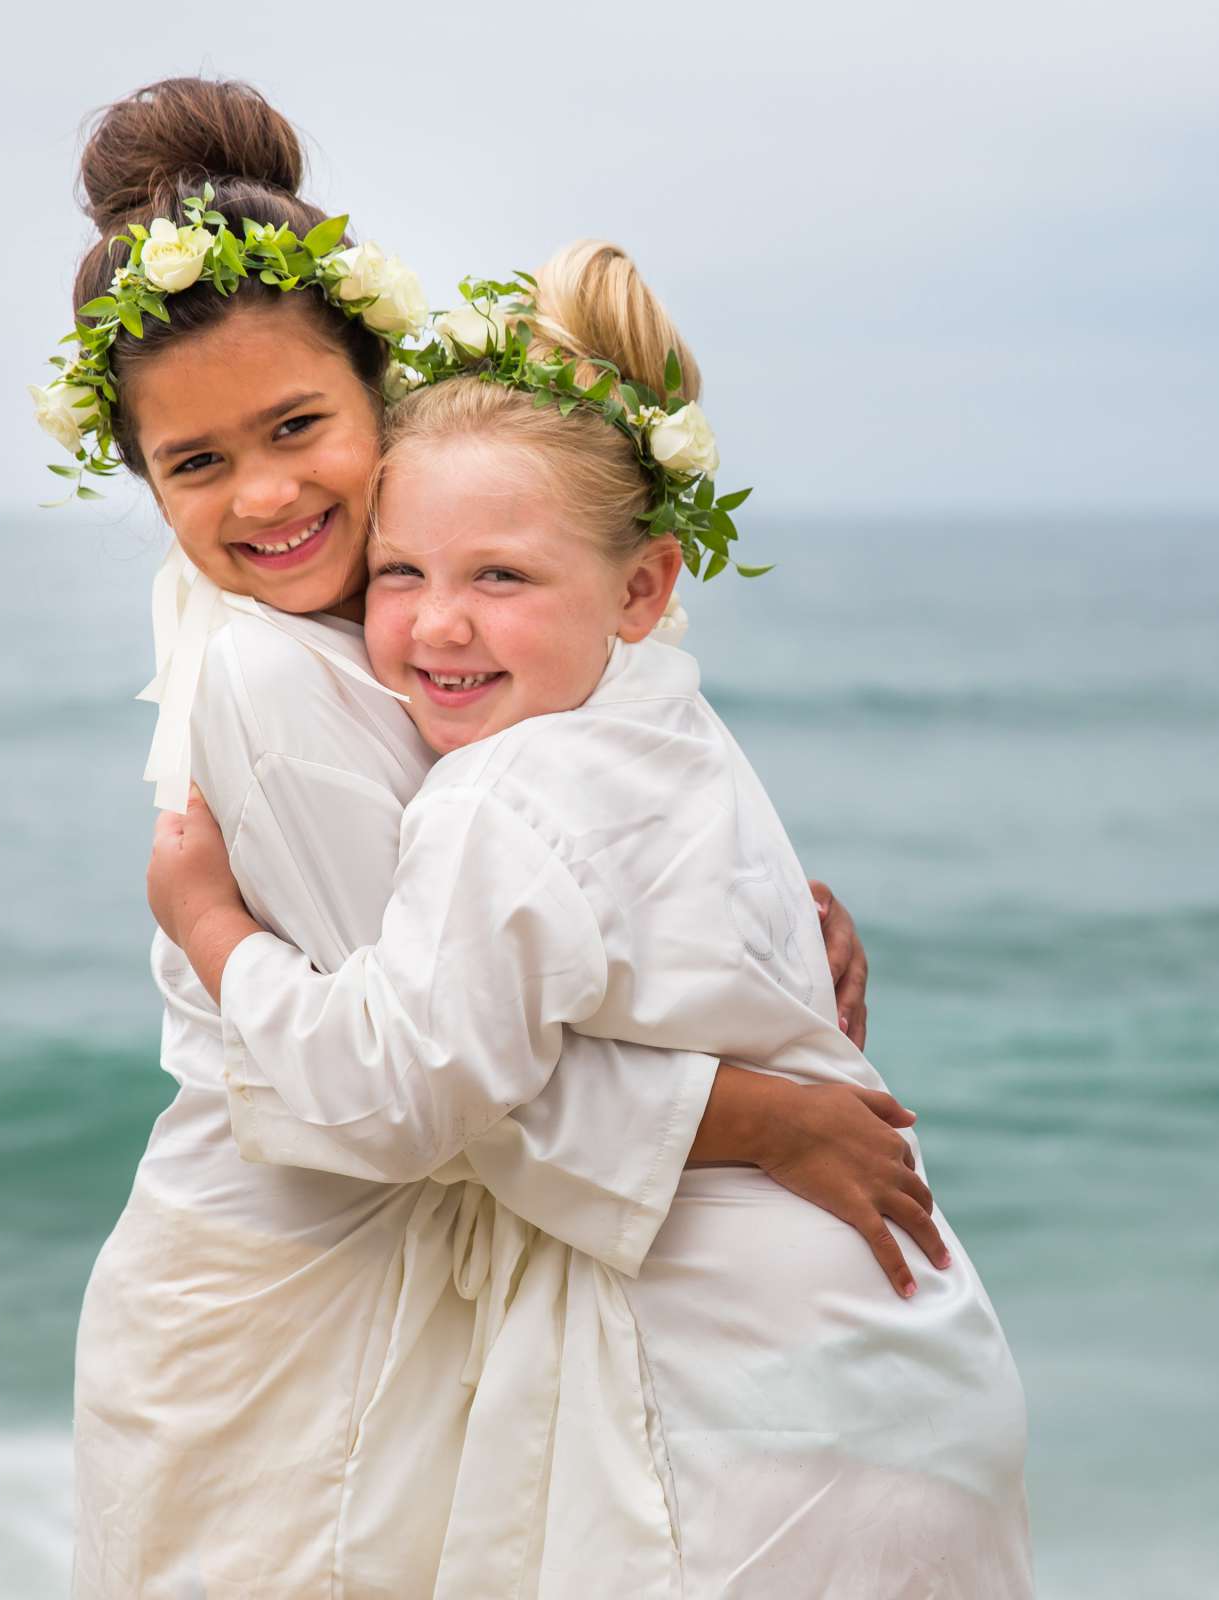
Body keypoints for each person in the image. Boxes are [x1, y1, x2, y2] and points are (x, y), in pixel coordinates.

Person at [50, 79, 938, 1598]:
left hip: (438, 1270)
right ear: (141, 481)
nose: (266, 494)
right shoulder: (270, 673)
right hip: (298, 1303)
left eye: (299, 427)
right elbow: (431, 1082)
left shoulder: (421, 595)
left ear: (377, 393)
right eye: (197, 465)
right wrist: (751, 1110)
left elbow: (582, 830)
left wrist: (751, 947)